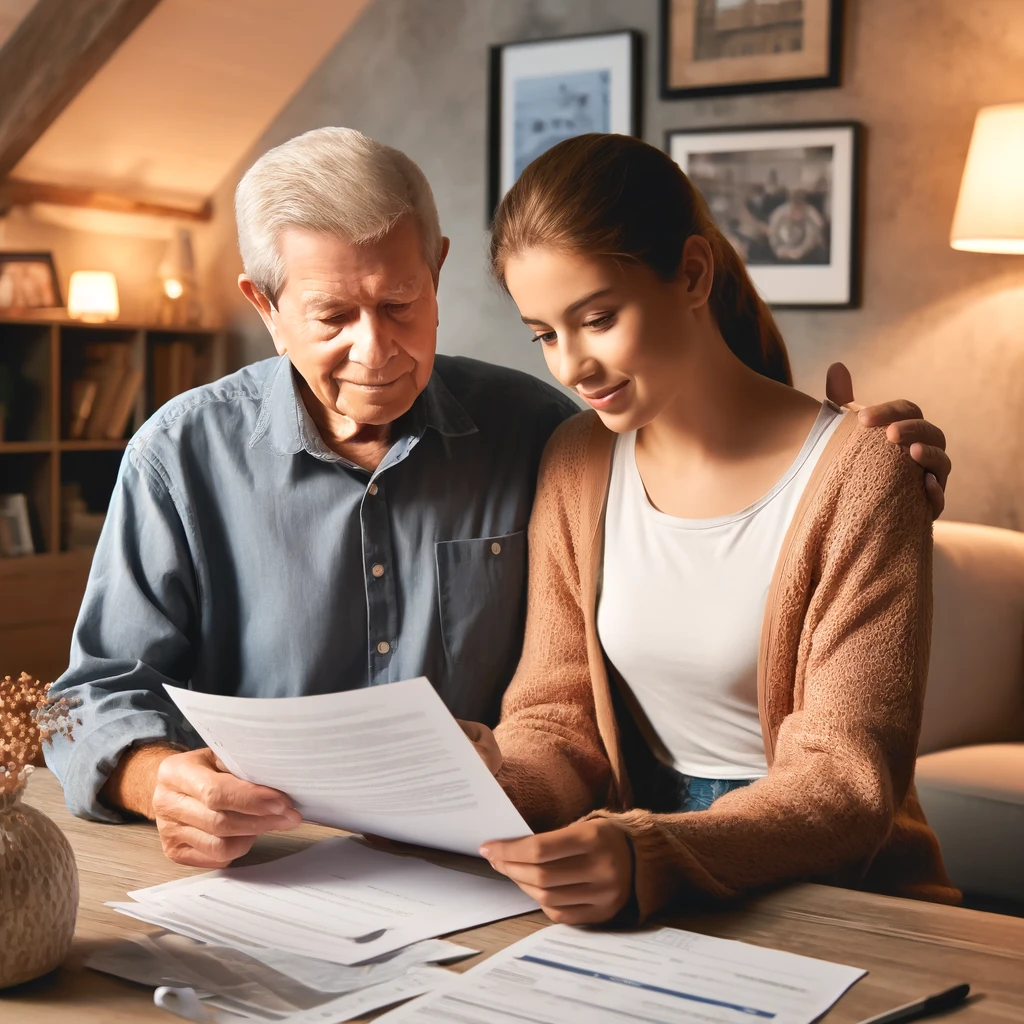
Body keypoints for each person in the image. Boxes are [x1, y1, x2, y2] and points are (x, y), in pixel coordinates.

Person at [44, 127, 949, 872]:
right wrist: (156, 779)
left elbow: (832, 768)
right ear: (264, 305)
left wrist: (866, 463)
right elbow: (88, 697)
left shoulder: (538, 433)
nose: (376, 348)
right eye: (332, 318)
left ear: (436, 272)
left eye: (402, 303)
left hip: (544, 870)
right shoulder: (179, 455)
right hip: (283, 873)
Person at [466, 133, 959, 924]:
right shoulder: (576, 459)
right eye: (544, 334)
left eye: (596, 318)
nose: (569, 367)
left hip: (841, 889)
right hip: (638, 869)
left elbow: (845, 781)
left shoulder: (863, 473)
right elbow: (556, 716)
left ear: (691, 274)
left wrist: (649, 852)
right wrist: (490, 787)